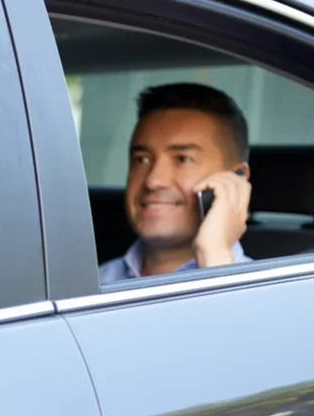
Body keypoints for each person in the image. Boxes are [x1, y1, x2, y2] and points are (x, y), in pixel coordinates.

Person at [100, 82, 253, 284]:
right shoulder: (92, 285)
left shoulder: (279, 298)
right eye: (142, 159)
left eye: (183, 159)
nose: (153, 181)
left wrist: (215, 258)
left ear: (236, 178)